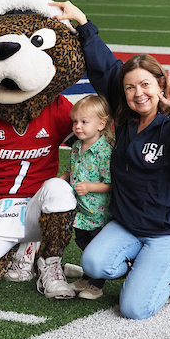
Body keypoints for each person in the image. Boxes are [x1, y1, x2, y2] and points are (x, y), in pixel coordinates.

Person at [49, 0, 170, 320]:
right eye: (130, 87)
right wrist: (83, 23)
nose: (137, 93)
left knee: (134, 308)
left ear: (161, 85)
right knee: (94, 263)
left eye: (145, 85)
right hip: (129, 225)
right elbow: (105, 68)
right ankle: (150, 265)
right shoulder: (126, 115)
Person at [58, 94, 113, 300]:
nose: (78, 127)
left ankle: (96, 284)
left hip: (98, 213)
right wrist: (59, 180)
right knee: (82, 242)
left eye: (84, 122)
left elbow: (111, 184)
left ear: (101, 124)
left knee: (96, 247)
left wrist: (90, 187)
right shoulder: (75, 147)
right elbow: (70, 171)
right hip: (81, 211)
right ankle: (87, 276)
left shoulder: (104, 153)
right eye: (75, 122)